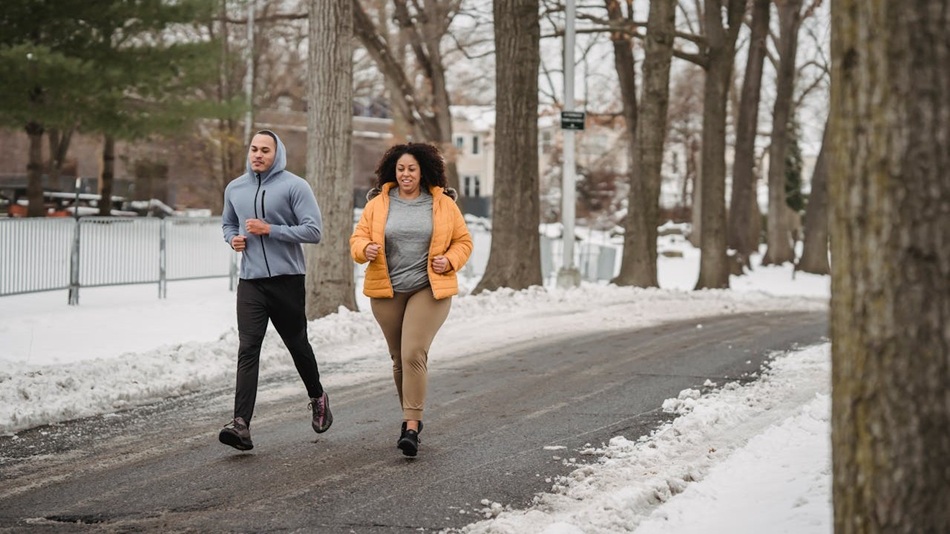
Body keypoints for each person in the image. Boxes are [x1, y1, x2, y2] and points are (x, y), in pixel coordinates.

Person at [350, 142, 473, 457]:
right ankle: (411, 415)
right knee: (398, 358)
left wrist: (450, 260)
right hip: (387, 290)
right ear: (394, 170)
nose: (405, 174)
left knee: (413, 352)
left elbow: (463, 241)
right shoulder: (378, 204)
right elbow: (357, 239)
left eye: (412, 169)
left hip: (428, 289)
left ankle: (411, 426)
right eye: (401, 168)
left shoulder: (442, 203)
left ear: (423, 172)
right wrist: (366, 250)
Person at [218, 129, 332, 451]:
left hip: (287, 280)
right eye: (254, 149)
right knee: (248, 348)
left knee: (297, 345)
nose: (258, 155)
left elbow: (314, 231)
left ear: (276, 154)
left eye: (265, 150)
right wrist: (233, 239)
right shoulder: (235, 188)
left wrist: (271, 229)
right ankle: (241, 425)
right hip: (251, 282)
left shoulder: (295, 186)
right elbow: (228, 223)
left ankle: (317, 396)